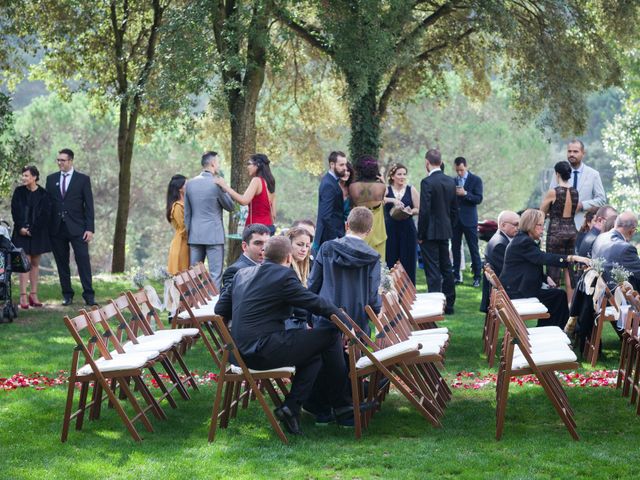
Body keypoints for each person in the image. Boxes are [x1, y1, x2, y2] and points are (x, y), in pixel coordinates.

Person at [214, 236, 353, 434]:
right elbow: (315, 303)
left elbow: (221, 308)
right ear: (289, 258)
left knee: (313, 355)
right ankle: (342, 405)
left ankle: (292, 407)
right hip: (261, 351)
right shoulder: (284, 275)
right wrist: (345, 322)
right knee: (330, 335)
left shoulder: (241, 274)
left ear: (264, 255)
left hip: (238, 352)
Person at [499, 209, 590, 328]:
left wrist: (545, 278)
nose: (543, 229)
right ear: (531, 225)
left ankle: (554, 330)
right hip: (517, 292)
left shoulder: (523, 239)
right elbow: (543, 258)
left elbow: (532, 264)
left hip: (516, 288)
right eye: (540, 225)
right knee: (559, 296)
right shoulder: (524, 242)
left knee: (558, 296)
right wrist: (571, 258)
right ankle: (558, 331)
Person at [308, 206, 381, 334]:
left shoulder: (327, 248)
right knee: (355, 354)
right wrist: (376, 311)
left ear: (346, 225)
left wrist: (308, 314)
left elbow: (313, 283)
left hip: (327, 315)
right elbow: (372, 293)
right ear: (369, 231)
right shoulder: (372, 257)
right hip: (357, 321)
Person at [45, 148, 96, 306]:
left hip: (78, 228)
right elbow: (48, 205)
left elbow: (89, 206)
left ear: (71, 161)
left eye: (63, 160)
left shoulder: (82, 179)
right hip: (57, 228)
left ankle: (89, 295)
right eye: (58, 160)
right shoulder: (51, 179)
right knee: (62, 263)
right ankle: (67, 295)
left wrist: (89, 228)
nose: (60, 162)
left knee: (83, 261)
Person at [184, 151, 235, 289]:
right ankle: (214, 309)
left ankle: (193, 307)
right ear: (212, 163)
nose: (218, 165)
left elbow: (187, 214)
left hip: (195, 235)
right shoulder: (217, 183)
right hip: (214, 236)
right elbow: (230, 206)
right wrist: (224, 188)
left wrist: (190, 234)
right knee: (215, 275)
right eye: (218, 162)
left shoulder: (189, 184)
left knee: (193, 275)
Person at [417, 149, 458, 314]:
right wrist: (450, 226)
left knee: (432, 269)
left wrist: (420, 234)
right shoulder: (450, 181)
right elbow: (455, 210)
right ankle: (449, 304)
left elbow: (424, 211)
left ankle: (435, 305)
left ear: (427, 162)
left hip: (429, 232)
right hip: (445, 231)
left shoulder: (427, 182)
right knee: (446, 267)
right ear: (440, 162)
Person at [11, 165, 51, 309]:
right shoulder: (19, 192)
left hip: (37, 233)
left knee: (34, 263)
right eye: (23, 175)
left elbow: (45, 214)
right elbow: (15, 210)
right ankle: (23, 296)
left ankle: (33, 294)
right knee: (25, 262)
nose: (24, 178)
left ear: (34, 177)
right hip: (21, 232)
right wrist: (21, 228)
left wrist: (32, 230)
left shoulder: (44, 194)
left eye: (27, 175)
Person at [540, 161, 578, 296]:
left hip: (556, 232)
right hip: (572, 231)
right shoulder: (575, 192)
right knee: (570, 268)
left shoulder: (553, 192)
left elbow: (541, 213)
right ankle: (571, 307)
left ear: (557, 174)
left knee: (553, 268)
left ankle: (555, 305)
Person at [550, 139, 606, 229]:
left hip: (583, 226)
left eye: (575, 151)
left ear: (583, 153)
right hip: (560, 227)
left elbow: (601, 200)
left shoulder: (593, 174)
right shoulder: (558, 172)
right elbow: (551, 196)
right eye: (569, 151)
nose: (572, 154)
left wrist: (582, 205)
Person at [215, 153, 277, 235]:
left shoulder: (257, 180)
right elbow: (274, 215)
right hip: (269, 228)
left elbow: (244, 201)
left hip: (255, 229)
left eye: (249, 164)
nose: (247, 167)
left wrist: (225, 186)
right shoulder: (270, 184)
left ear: (257, 165)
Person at [384, 163, 419, 284]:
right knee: (390, 262)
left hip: (407, 230)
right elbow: (380, 200)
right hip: (390, 230)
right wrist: (393, 200)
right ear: (392, 176)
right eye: (399, 174)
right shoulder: (386, 190)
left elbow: (418, 208)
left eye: (404, 174)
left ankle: (408, 292)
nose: (402, 177)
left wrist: (410, 211)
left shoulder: (411, 189)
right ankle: (389, 294)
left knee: (408, 262)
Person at [348, 156, 389, 260]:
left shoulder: (352, 187)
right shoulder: (381, 187)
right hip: (377, 227)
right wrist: (383, 181)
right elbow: (385, 196)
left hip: (360, 224)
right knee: (378, 261)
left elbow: (351, 205)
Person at [451, 157, 483, 287]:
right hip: (455, 221)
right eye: (457, 170)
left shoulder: (476, 180)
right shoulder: (452, 181)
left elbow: (479, 198)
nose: (459, 173)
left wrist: (465, 194)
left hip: (469, 220)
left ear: (466, 167)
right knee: (455, 249)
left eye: (461, 170)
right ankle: (457, 276)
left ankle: (477, 277)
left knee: (473, 249)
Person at [479, 210, 520, 313]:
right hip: (504, 296)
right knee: (556, 296)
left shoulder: (500, 239)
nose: (518, 228)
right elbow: (510, 275)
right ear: (503, 225)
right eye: (515, 224)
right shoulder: (500, 245)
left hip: (501, 293)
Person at [591, 211, 640, 290]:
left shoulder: (599, 238)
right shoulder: (626, 249)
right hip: (618, 297)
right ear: (632, 231)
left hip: (599, 293)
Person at [220, 223, 271, 295]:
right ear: (244, 246)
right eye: (258, 243)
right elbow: (227, 301)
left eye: (268, 243)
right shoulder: (235, 270)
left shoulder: (271, 265)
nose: (264, 248)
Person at [314, 151, 347, 251]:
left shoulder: (331, 181)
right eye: (341, 165)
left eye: (345, 164)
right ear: (332, 164)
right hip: (329, 238)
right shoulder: (329, 184)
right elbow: (325, 215)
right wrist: (335, 237)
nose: (345, 168)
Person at [166, 174, 189, 275]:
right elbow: (184, 227)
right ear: (180, 189)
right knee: (182, 276)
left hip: (186, 243)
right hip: (181, 245)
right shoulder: (178, 206)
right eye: (186, 184)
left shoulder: (185, 203)